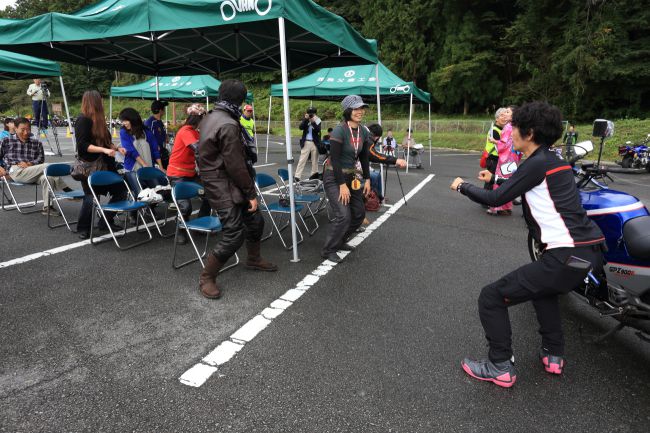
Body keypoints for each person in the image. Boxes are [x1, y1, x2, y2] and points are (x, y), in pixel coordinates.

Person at [450, 101, 605, 388]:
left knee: (491, 297)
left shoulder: (536, 163)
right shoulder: (552, 160)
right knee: (544, 290)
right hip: (588, 254)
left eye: (516, 129)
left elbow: (497, 198)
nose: (511, 134)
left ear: (530, 133)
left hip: (562, 255)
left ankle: (499, 365)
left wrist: (462, 186)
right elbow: (525, 187)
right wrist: (495, 177)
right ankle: (553, 354)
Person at [198, 79, 277, 300]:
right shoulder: (229, 124)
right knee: (233, 233)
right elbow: (235, 164)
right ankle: (206, 277)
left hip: (221, 180)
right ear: (241, 101)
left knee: (255, 221)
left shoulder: (211, 117)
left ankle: (253, 258)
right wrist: (251, 194)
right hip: (222, 182)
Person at [320, 95, 372, 263]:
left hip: (352, 176)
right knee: (343, 215)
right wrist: (342, 184)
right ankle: (329, 249)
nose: (360, 112)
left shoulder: (364, 131)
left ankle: (340, 240)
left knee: (358, 213)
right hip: (334, 176)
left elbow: (364, 157)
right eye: (356, 109)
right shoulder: (339, 130)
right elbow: (334, 160)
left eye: (361, 108)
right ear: (348, 111)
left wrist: (368, 179)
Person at [74, 90, 127, 240]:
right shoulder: (83, 120)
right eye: (101, 100)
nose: (103, 103)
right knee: (91, 198)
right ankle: (83, 228)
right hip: (90, 166)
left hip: (106, 165)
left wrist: (116, 148)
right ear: (94, 102)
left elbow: (105, 141)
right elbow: (83, 145)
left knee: (121, 191)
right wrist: (104, 149)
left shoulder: (99, 120)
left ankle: (105, 221)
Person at [0, 117, 70, 215]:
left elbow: (40, 159)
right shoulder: (6, 140)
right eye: (23, 129)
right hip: (15, 171)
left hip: (32, 171)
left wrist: (30, 163)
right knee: (48, 167)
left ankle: (47, 207)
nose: (26, 132)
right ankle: (67, 189)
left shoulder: (36, 143)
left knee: (48, 177)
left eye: (28, 129)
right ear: (15, 129)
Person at [167, 103, 211, 244]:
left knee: (209, 195)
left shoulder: (195, 131)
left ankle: (200, 226)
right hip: (177, 174)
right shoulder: (186, 130)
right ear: (198, 118)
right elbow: (198, 149)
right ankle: (180, 229)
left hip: (190, 173)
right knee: (185, 206)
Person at [118, 107, 163, 196]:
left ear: (133, 119)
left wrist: (161, 167)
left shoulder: (146, 132)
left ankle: (150, 209)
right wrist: (144, 164)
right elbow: (131, 151)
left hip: (149, 167)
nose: (124, 123)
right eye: (123, 121)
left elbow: (155, 150)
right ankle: (135, 209)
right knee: (140, 194)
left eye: (126, 120)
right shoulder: (123, 132)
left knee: (157, 192)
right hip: (132, 169)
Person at [487, 107, 519, 216]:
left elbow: (503, 145)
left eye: (507, 112)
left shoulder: (508, 127)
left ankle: (496, 207)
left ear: (512, 115)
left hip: (505, 159)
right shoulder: (516, 127)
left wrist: (494, 141)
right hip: (513, 159)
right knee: (509, 182)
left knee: (499, 181)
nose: (504, 113)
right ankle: (507, 206)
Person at [366, 123, 407, 202]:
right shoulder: (367, 139)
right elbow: (374, 155)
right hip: (356, 169)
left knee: (377, 175)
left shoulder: (364, 135)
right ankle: (374, 197)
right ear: (377, 137)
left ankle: (379, 196)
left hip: (362, 166)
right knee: (375, 176)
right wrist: (396, 160)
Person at [295, 107, 321, 181]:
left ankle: (314, 175)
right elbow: (301, 127)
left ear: (315, 113)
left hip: (315, 142)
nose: (311, 115)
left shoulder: (318, 119)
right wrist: (306, 119)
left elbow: (318, 129)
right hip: (306, 141)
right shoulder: (305, 119)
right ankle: (297, 176)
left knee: (315, 160)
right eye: (309, 113)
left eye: (312, 113)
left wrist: (313, 121)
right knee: (302, 159)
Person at [483, 109, 505, 191]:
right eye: (501, 116)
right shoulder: (495, 130)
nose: (504, 118)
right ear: (496, 118)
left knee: (495, 180)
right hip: (493, 159)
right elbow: (501, 146)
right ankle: (485, 200)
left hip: (497, 159)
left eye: (505, 115)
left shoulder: (502, 130)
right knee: (490, 181)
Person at [144, 100, 169, 168]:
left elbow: (162, 133)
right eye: (163, 108)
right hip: (153, 155)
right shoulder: (150, 122)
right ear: (160, 110)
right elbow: (146, 138)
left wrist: (165, 136)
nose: (164, 110)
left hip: (162, 152)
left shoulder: (159, 121)